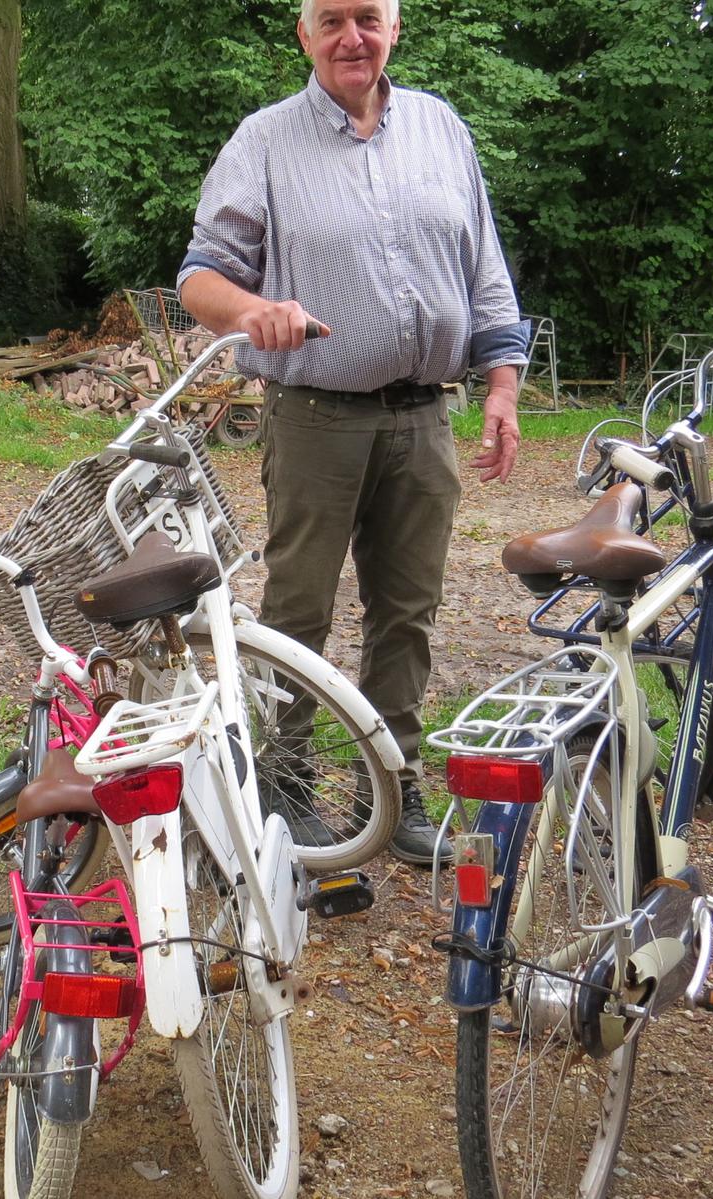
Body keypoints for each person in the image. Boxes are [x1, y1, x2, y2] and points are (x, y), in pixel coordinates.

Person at [177, 0, 529, 865]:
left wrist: (503, 384)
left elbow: (484, 267)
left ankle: (395, 780)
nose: (351, 38)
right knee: (298, 609)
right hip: (316, 418)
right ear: (303, 35)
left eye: (367, 18)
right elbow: (199, 276)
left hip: (423, 416)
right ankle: (286, 784)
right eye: (330, 20)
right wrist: (257, 310)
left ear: (395, 28)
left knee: (407, 612)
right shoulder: (263, 141)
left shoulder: (441, 129)